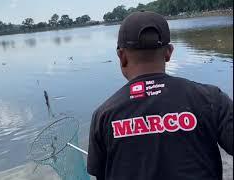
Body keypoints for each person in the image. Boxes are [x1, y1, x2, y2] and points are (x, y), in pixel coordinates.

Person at [87, 11, 233, 180]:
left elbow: (100, 175)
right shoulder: (211, 99)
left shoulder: (104, 115)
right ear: (168, 52)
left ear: (122, 56)